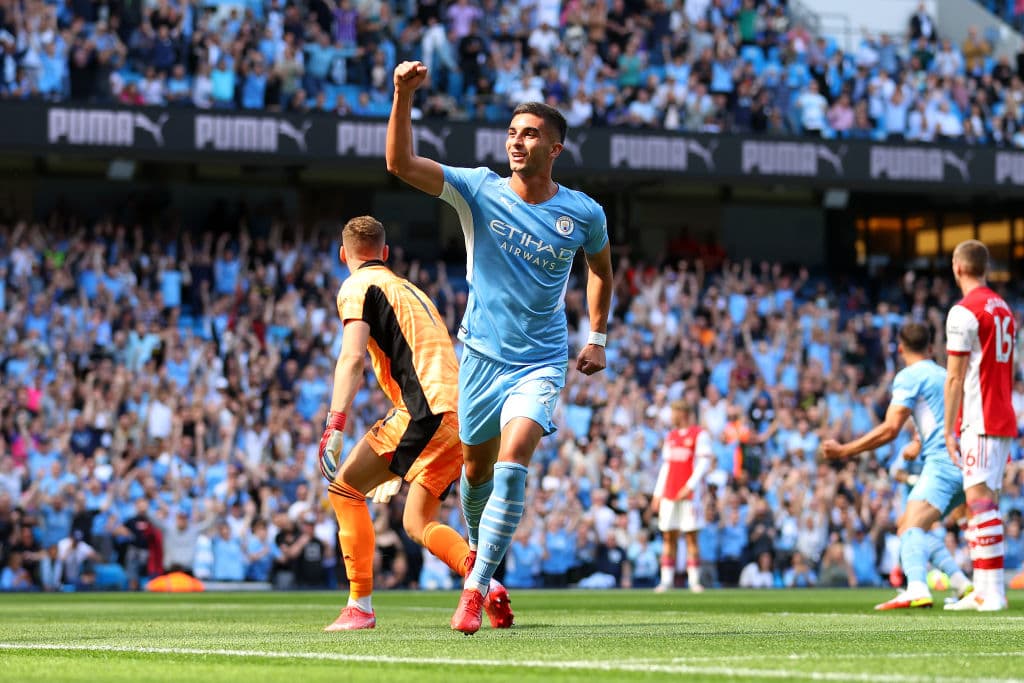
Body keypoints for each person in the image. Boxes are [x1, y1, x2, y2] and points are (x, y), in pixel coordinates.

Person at [385, 61, 614, 634]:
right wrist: (402, 97)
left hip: (540, 360)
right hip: (481, 359)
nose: (517, 141)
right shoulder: (478, 189)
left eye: (530, 133)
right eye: (513, 133)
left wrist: (598, 336)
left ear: (555, 148)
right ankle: (486, 571)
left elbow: (602, 272)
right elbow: (399, 164)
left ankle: (474, 586)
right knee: (476, 474)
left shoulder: (584, 212)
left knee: (514, 463)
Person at [318, 215, 514, 631]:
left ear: (343, 255)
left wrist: (335, 423)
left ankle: (360, 606)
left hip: (424, 411)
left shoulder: (357, 285)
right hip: (461, 415)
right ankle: (485, 583)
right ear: (385, 254)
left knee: (344, 490)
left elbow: (352, 356)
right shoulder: (413, 290)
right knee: (417, 521)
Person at [822, 322, 973, 610]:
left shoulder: (909, 376)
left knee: (909, 530)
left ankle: (916, 587)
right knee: (910, 526)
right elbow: (946, 417)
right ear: (931, 348)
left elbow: (890, 429)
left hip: (942, 462)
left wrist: (845, 450)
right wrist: (918, 442)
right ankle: (962, 584)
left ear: (901, 348)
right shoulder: (945, 375)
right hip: (966, 462)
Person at [943, 240, 1015, 611]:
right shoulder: (1003, 308)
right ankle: (985, 588)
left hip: (981, 416)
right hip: (1001, 414)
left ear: (957, 266)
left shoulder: (964, 312)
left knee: (979, 501)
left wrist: (948, 430)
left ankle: (993, 592)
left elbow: (954, 378)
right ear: (984, 267)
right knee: (985, 502)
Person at [652, 400, 712, 593]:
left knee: (691, 536)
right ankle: (666, 580)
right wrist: (657, 493)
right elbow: (666, 466)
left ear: (683, 413)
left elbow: (703, 464)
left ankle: (694, 581)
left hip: (689, 495)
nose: (671, 417)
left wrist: (689, 486)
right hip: (670, 492)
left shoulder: (699, 435)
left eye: (674, 412)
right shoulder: (671, 437)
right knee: (668, 535)